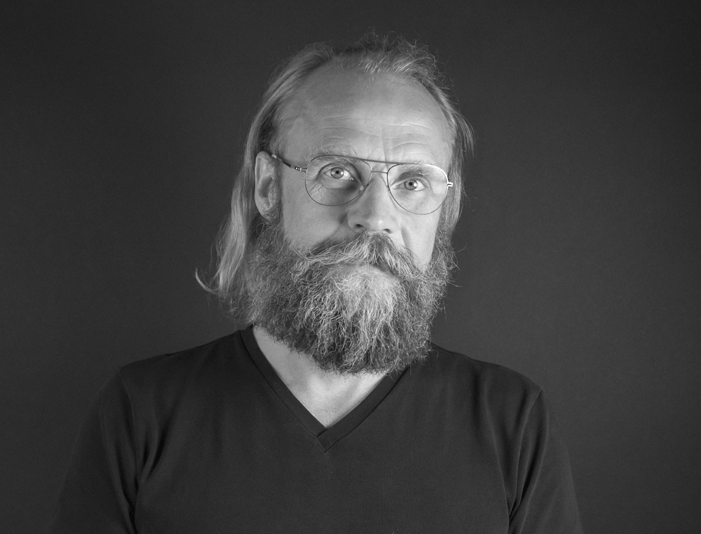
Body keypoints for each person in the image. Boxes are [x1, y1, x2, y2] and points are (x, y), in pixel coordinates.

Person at [49, 34, 583, 533]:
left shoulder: (512, 423)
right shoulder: (141, 414)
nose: (375, 216)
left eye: (412, 181)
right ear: (267, 187)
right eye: (337, 172)